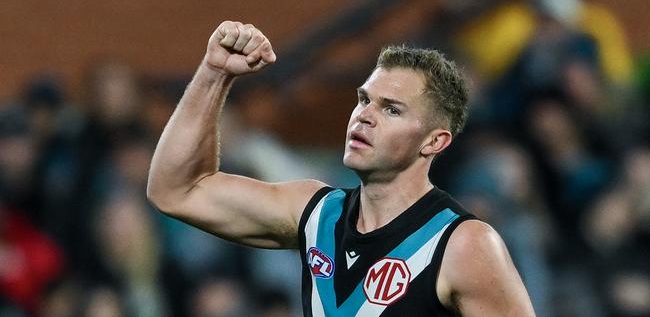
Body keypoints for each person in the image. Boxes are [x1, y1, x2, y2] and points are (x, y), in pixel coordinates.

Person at [147, 21, 535, 316]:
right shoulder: (317, 214)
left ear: (434, 142)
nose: (364, 116)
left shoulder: (464, 245)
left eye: (391, 109)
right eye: (364, 100)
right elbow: (176, 189)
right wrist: (215, 74)